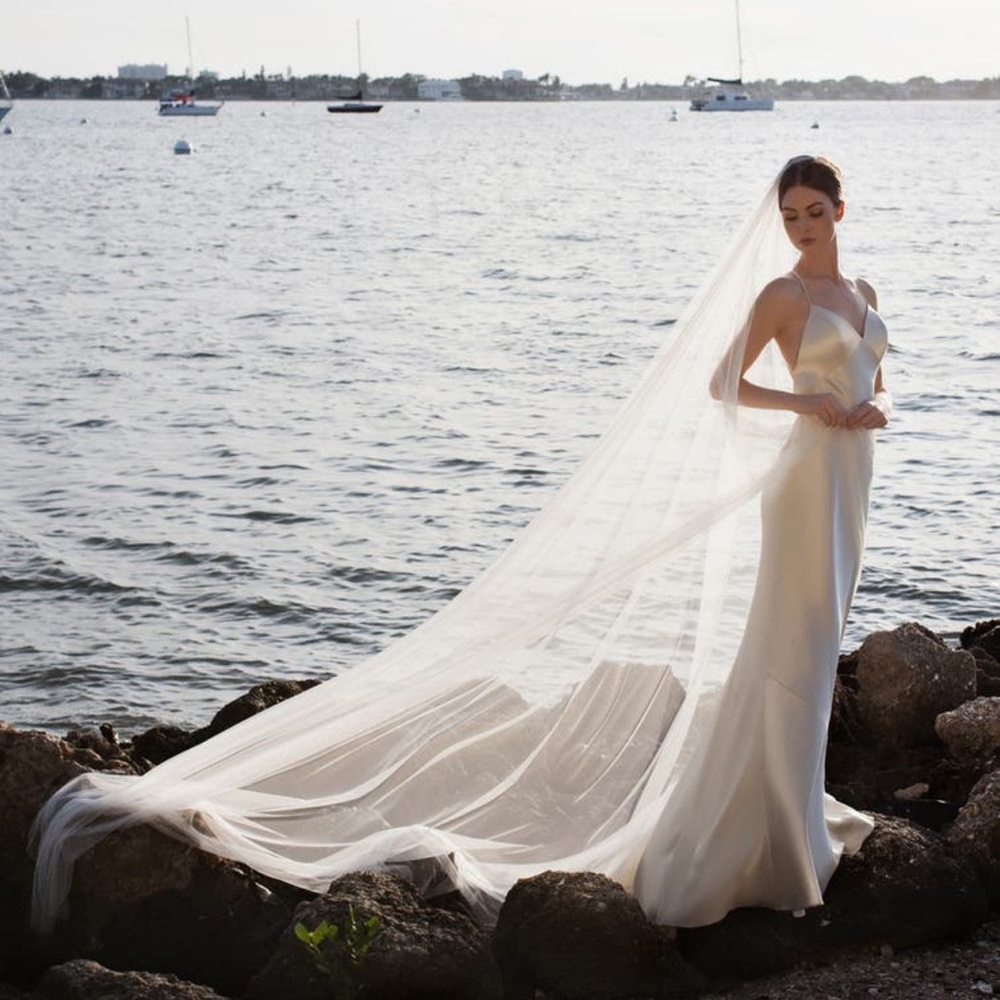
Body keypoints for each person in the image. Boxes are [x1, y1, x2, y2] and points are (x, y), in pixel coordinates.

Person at [30, 155, 889, 933]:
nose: (802, 227)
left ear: (841, 212)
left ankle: (791, 814)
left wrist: (869, 409)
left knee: (818, 646)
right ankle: (759, 833)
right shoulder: (785, 298)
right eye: (791, 215)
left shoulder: (865, 297)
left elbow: (874, 384)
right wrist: (806, 406)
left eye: (815, 212)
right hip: (805, 481)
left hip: (852, 480)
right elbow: (722, 385)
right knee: (793, 647)